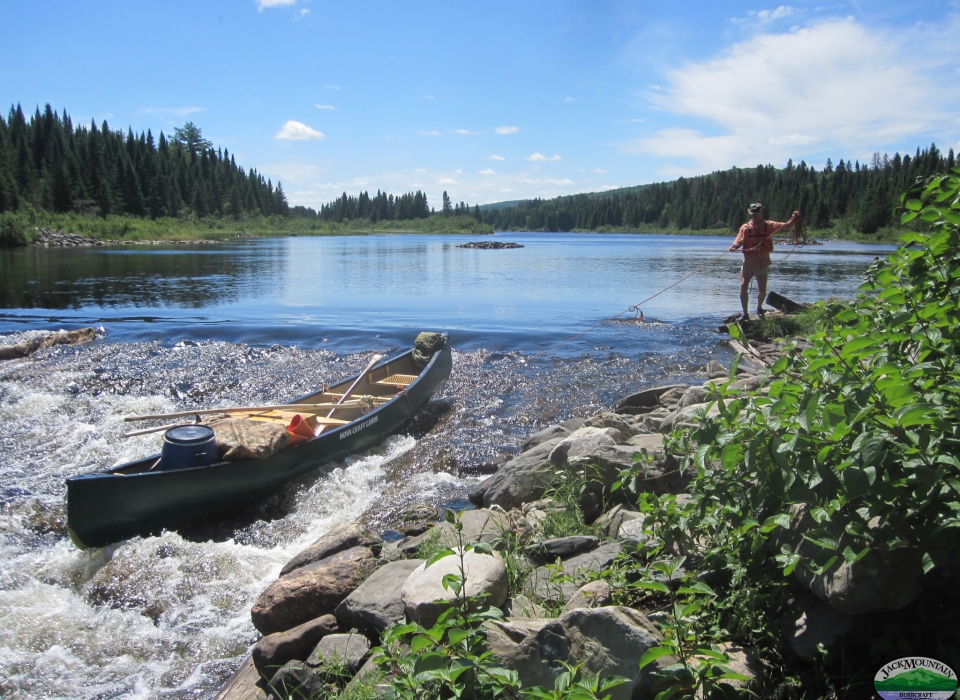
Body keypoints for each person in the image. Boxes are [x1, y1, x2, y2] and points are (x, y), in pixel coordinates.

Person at [730, 203, 800, 320]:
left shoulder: (769, 225)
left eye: (757, 213)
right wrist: (734, 246)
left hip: (762, 263)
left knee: (762, 289)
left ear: (762, 213)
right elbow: (739, 240)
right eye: (753, 214)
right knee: (743, 286)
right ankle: (745, 313)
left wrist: (794, 218)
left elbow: (787, 226)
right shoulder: (745, 227)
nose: (755, 216)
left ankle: (759, 308)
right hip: (748, 262)